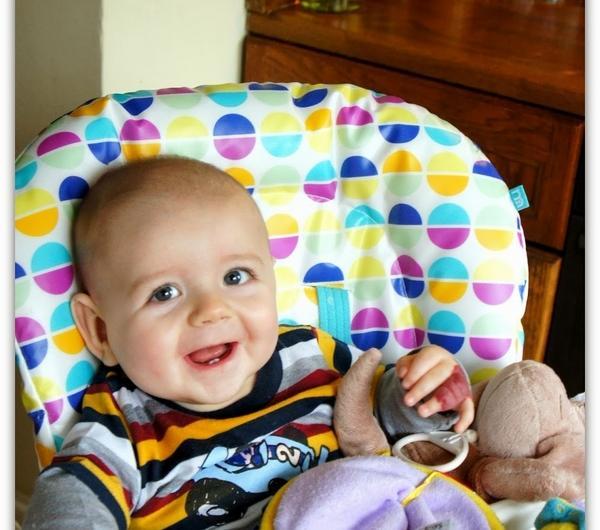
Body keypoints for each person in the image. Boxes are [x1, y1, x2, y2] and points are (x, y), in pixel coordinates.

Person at [23, 156, 473, 530]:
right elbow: (71, 501)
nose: (211, 310)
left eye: (235, 277)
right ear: (101, 331)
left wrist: (425, 393)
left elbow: (384, 418)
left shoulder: (310, 355)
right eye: (164, 293)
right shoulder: (123, 427)